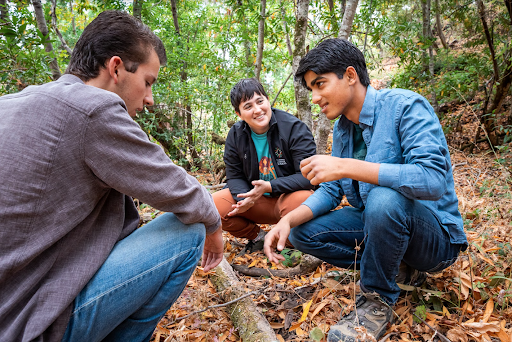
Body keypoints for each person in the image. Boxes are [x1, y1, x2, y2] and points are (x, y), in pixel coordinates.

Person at [0, 10, 223, 342]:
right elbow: (177, 187)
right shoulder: (93, 109)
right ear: (116, 67)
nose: (149, 99)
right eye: (148, 82)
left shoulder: (11, 102)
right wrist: (215, 225)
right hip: (32, 323)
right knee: (188, 231)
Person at [264, 38, 468, 342]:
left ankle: (377, 300)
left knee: (385, 199)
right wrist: (286, 221)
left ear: (350, 75)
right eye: (311, 89)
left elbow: (433, 179)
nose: (316, 97)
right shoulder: (343, 128)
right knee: (301, 232)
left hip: (436, 239)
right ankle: (396, 268)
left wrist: (347, 166)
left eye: (320, 84)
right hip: (381, 223)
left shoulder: (404, 106)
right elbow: (331, 192)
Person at [213, 78, 316, 252]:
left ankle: (287, 244)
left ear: (268, 100)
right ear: (238, 114)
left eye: (260, 101)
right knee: (211, 206)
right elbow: (235, 175)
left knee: (305, 200)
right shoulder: (236, 135)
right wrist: (243, 199)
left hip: (288, 199)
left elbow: (309, 178)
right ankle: (258, 237)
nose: (257, 110)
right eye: (248, 106)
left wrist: (269, 185)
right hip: (257, 201)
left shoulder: (294, 128)